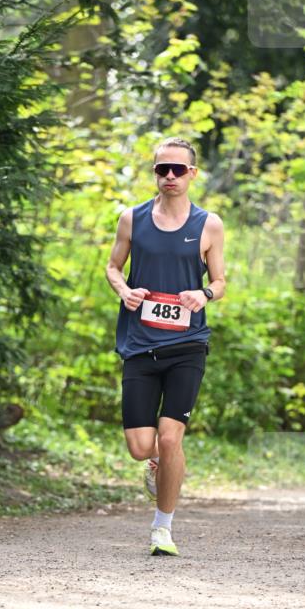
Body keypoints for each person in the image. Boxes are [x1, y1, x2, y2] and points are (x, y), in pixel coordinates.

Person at [105, 137, 226, 556]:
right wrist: (124, 291)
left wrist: (204, 296)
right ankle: (162, 464)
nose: (170, 176)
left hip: (187, 346)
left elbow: (221, 282)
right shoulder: (132, 219)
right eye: (162, 170)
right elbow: (112, 266)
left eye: (178, 169)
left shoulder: (209, 224)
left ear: (192, 174)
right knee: (143, 447)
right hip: (140, 345)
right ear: (155, 173)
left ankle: (162, 529)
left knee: (171, 438)